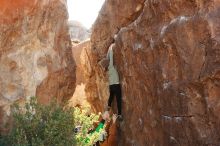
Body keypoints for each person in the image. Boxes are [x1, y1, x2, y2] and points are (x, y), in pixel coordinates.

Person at [105, 43, 123, 121]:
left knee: (111, 96)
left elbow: (107, 59)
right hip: (116, 85)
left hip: (111, 86)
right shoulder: (111, 66)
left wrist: (108, 50)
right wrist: (111, 48)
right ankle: (119, 115)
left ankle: (108, 106)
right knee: (118, 99)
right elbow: (111, 58)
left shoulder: (107, 70)